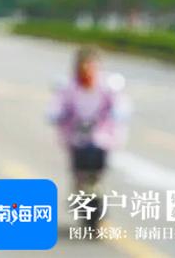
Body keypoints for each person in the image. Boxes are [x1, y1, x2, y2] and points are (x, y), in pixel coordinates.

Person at [49, 46, 129, 228]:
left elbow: (120, 106)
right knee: (78, 172)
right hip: (75, 137)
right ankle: (79, 194)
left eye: (92, 65)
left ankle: (97, 199)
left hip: (101, 137)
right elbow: (56, 107)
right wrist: (55, 115)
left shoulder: (107, 87)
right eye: (84, 65)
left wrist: (118, 114)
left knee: (97, 171)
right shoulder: (68, 88)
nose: (88, 70)